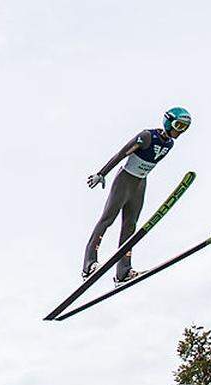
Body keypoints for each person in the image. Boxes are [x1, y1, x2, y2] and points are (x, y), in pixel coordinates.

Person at [82, 107, 192, 284]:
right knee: (107, 219)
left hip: (140, 184)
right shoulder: (147, 136)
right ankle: (89, 264)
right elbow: (121, 153)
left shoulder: (169, 144)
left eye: (184, 128)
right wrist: (101, 173)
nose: (179, 131)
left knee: (130, 226)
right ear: (168, 121)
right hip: (125, 180)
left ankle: (123, 271)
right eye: (178, 125)